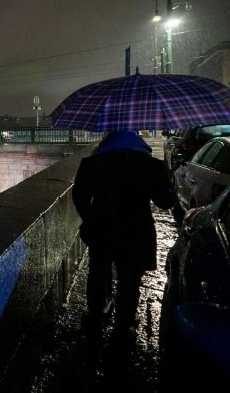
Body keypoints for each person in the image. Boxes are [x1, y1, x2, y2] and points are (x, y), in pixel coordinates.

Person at [71, 130, 175, 342]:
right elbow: (166, 202)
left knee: (98, 274)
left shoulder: (92, 163)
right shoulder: (150, 165)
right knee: (130, 280)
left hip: (102, 231)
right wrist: (168, 180)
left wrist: (92, 219)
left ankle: (94, 319)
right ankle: (124, 326)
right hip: (136, 233)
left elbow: (80, 197)